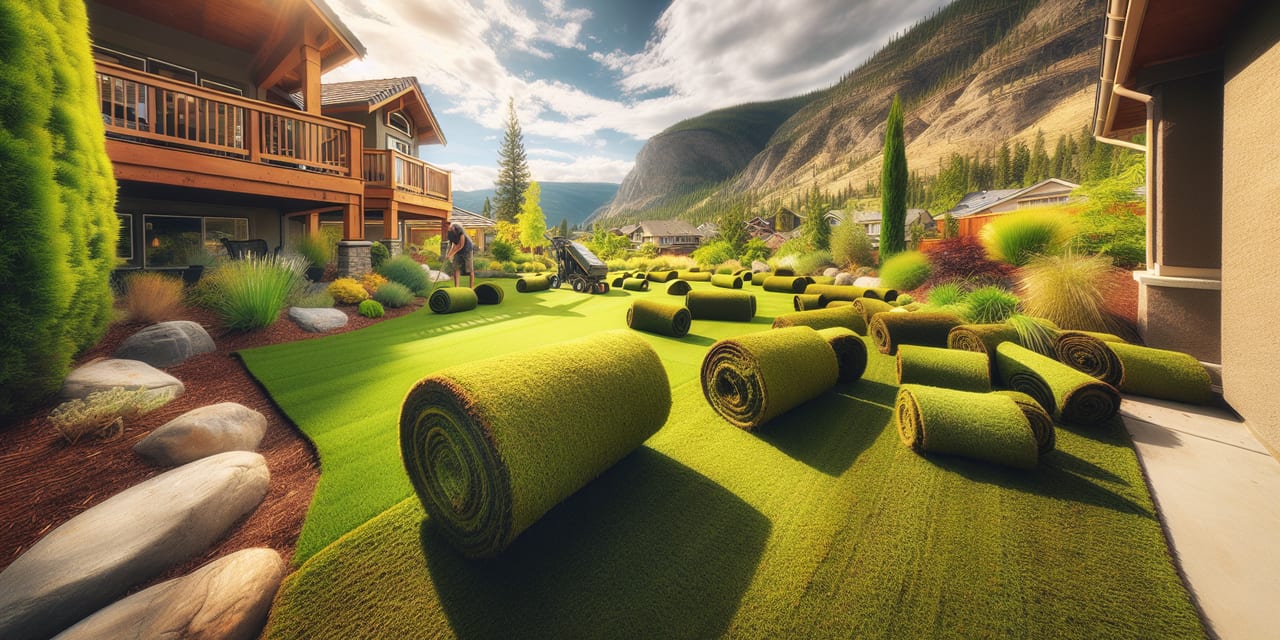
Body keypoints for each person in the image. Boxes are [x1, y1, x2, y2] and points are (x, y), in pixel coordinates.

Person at [444, 222, 475, 288]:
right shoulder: (449, 234)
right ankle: (456, 287)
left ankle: (471, 287)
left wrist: (452, 254)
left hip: (467, 249)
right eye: (445, 227)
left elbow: (461, 245)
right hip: (459, 250)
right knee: (456, 267)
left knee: (469, 269)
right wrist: (448, 254)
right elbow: (453, 245)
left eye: (448, 226)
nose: (447, 228)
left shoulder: (459, 230)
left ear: (451, 226)